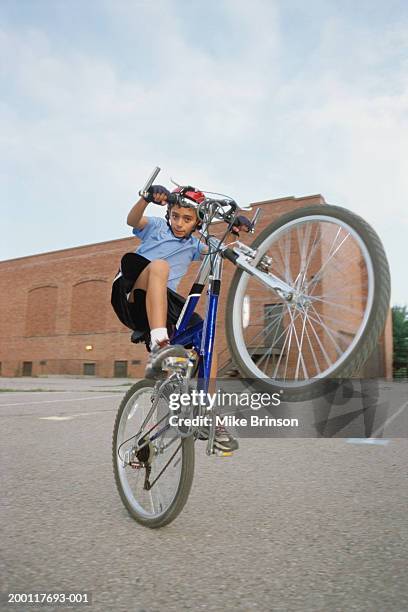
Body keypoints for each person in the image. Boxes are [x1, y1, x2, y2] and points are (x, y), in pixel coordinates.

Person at [111, 184, 251, 452]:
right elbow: (132, 220)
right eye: (175, 215)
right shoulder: (156, 227)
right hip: (132, 289)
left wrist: (234, 228)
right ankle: (159, 342)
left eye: (187, 219)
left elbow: (218, 249)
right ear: (169, 213)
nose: (179, 223)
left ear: (197, 222)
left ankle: (206, 414)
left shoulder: (195, 245)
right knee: (160, 267)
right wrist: (146, 198)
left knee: (206, 338)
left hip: (162, 304)